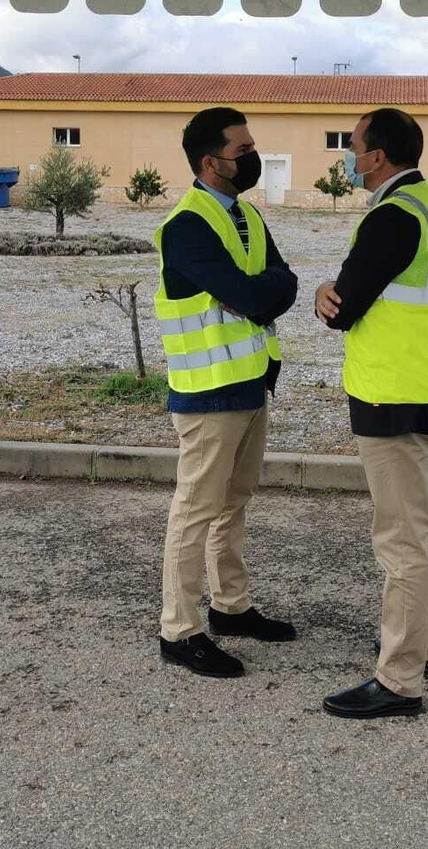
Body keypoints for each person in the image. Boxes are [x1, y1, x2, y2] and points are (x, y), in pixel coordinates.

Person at [314, 108, 428, 719]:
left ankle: (400, 680)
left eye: (353, 147)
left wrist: (328, 298)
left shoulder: (390, 215)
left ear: (377, 156)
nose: (349, 157)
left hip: (393, 392)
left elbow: (344, 307)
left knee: (401, 539)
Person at [154, 107, 300, 679]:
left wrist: (259, 292)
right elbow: (252, 291)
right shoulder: (186, 225)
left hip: (250, 383)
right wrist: (259, 292)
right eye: (243, 149)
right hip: (208, 389)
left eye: (252, 145)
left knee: (232, 504)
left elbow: (280, 283)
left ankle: (230, 607)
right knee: (196, 510)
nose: (253, 156)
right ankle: (179, 628)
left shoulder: (249, 218)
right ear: (211, 162)